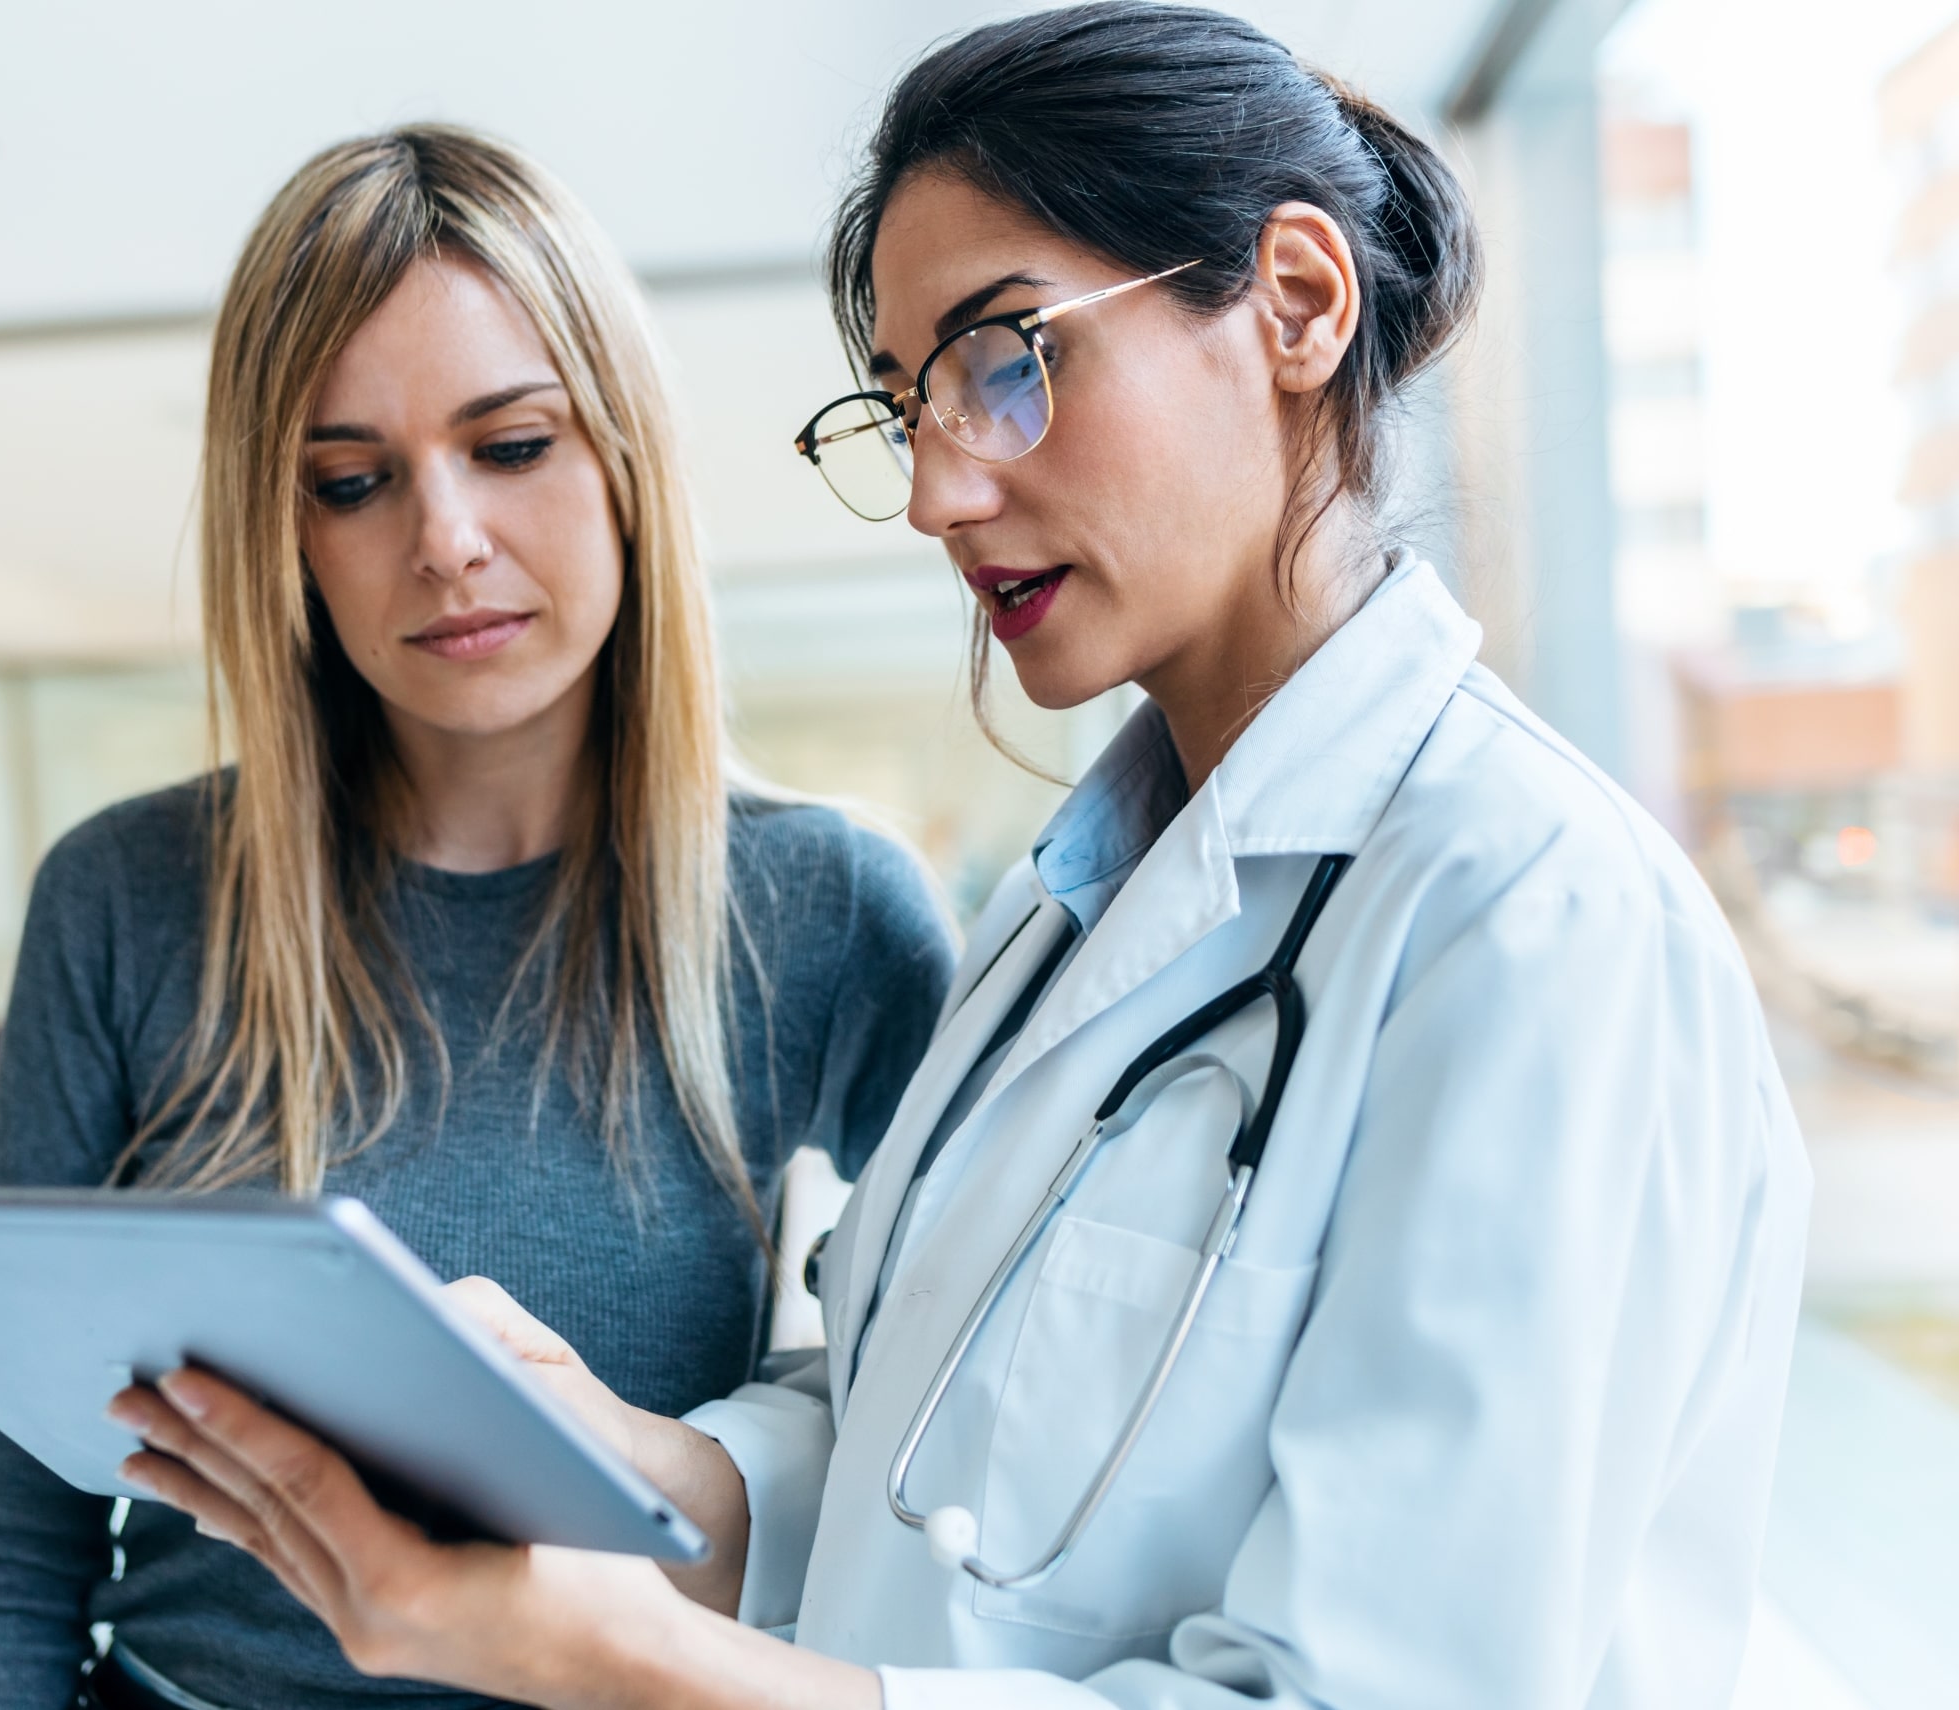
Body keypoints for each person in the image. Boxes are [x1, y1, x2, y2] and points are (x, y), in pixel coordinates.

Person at [105, 6, 1814, 1707]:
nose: (935, 489)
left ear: (1295, 303)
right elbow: (904, 1445)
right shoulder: (1071, 914)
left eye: (1010, 360)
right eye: (910, 402)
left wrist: (601, 1651)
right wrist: (624, 1457)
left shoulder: (1532, 925)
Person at [0, 124, 957, 1710]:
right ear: (292, 531)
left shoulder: (826, 907)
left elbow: (944, 1432)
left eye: (515, 445)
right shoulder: (127, 899)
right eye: (353, 479)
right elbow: (11, 1546)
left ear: (622, 456)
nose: (445, 539)